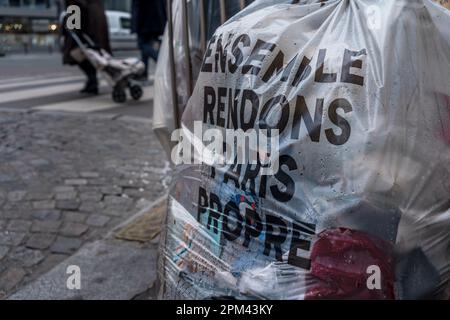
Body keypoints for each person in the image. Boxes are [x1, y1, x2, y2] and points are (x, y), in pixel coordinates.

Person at [62, 0, 112, 95]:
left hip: (87, 25)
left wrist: (71, 27)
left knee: (76, 54)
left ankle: (92, 80)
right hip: (96, 22)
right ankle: (92, 80)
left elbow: (75, 7)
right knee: (92, 54)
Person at [131, 0, 167, 80]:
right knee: (146, 48)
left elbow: (137, 5)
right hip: (156, 21)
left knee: (142, 45)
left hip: (144, 21)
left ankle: (161, 62)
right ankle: (144, 73)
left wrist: (134, 25)